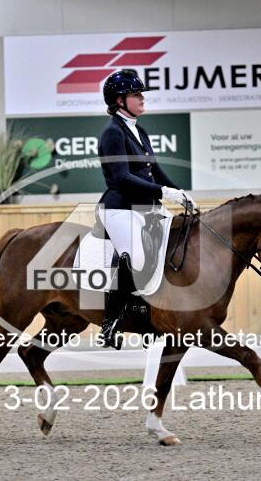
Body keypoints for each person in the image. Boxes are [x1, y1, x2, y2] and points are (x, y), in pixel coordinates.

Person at [96, 69, 197, 349]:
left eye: (141, 94)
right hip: (120, 208)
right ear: (120, 101)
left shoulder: (138, 130)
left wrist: (179, 193)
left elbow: (154, 171)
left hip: (146, 207)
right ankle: (112, 321)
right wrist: (162, 192)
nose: (142, 99)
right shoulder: (112, 133)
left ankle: (156, 313)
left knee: (174, 248)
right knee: (136, 257)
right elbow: (122, 178)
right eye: (136, 94)